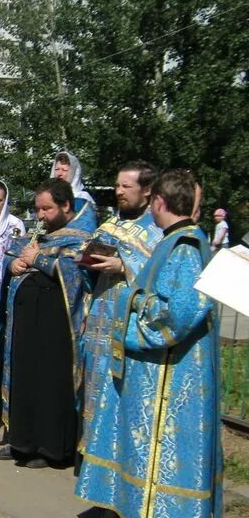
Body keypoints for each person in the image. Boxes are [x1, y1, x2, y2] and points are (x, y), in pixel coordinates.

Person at [78, 169, 221, 518]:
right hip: (163, 367)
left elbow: (177, 316)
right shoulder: (177, 241)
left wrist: (129, 308)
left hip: (172, 375)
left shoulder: (185, 246)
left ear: (158, 201)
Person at [73, 161, 162, 508]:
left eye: (126, 186)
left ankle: (121, 497)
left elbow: (158, 277)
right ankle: (98, 493)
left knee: (120, 412)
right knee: (94, 404)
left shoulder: (155, 232)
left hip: (128, 333)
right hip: (97, 324)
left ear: (147, 191)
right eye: (117, 185)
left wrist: (123, 266)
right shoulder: (111, 223)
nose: (119, 192)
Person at [0, 178, 91, 468]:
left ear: (66, 206)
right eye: (37, 209)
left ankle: (50, 449)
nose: (40, 215)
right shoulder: (40, 234)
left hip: (56, 326)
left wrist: (40, 260)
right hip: (26, 324)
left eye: (46, 209)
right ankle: (21, 442)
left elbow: (76, 275)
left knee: (50, 383)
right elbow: (13, 254)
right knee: (24, 379)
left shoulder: (82, 237)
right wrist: (13, 265)